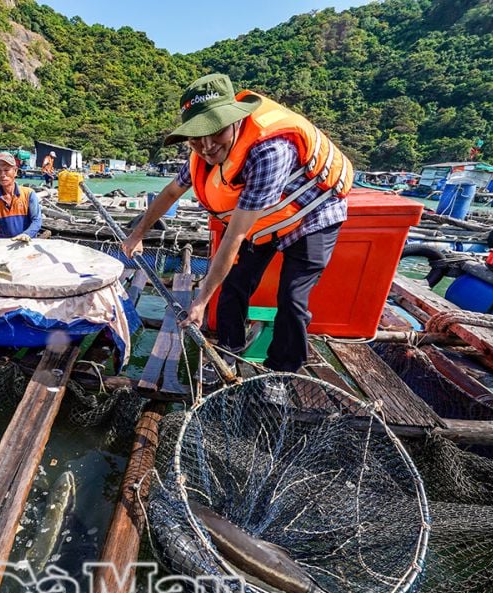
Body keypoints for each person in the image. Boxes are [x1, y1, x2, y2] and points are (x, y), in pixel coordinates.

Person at [123, 73, 353, 375]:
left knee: (292, 298)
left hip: (312, 214)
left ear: (234, 120)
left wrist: (201, 300)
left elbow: (235, 237)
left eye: (215, 131)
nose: (206, 145)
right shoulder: (201, 154)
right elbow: (170, 193)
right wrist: (137, 234)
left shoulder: (269, 151)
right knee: (234, 284)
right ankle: (229, 350)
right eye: (196, 136)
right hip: (269, 219)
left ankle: (281, 372)